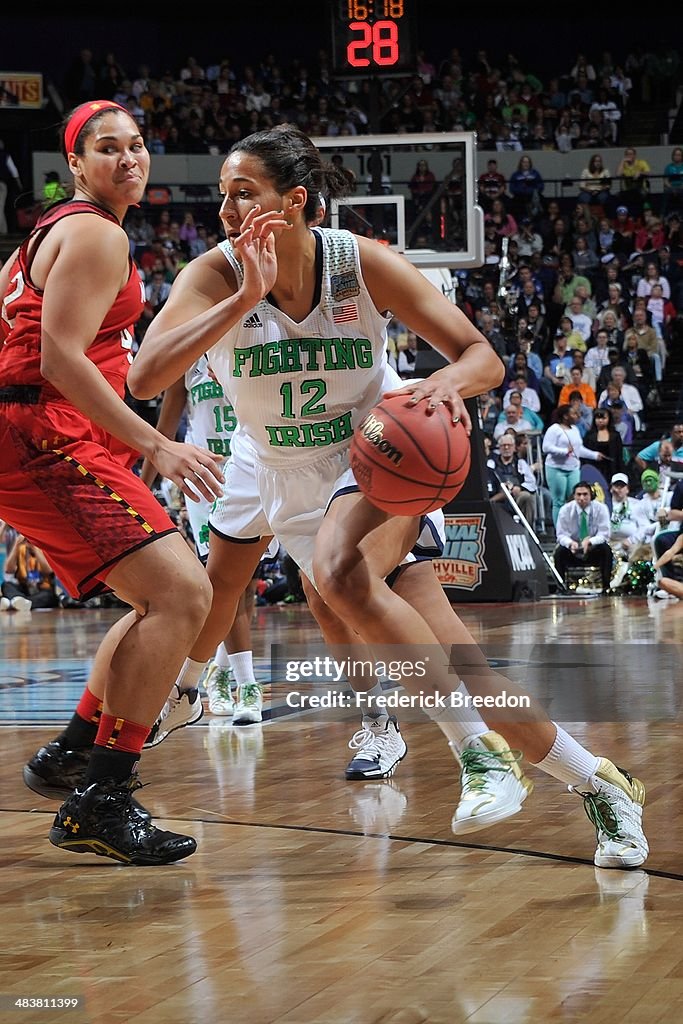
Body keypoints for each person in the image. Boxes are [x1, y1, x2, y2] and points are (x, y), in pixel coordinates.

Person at [125, 124, 648, 862]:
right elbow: (143, 379)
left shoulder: (361, 262)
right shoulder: (211, 276)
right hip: (283, 472)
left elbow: (481, 357)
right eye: (222, 196)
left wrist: (443, 381)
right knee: (461, 661)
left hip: (374, 455)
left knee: (339, 574)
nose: (226, 210)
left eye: (243, 194)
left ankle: (477, 754)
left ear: (296, 201)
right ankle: (597, 782)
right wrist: (244, 294)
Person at [4, 100, 224, 865]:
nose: (129, 159)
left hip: (40, 432)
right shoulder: (95, 232)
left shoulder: (57, 230)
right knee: (183, 596)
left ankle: (71, 754)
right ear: (76, 163)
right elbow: (60, 359)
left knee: (155, 599)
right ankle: (100, 796)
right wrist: (156, 445)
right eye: (108, 148)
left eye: (137, 145)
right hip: (38, 434)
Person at [543, 403, 603, 527]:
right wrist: (564, 452)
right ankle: (559, 532)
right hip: (556, 468)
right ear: (565, 416)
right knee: (559, 501)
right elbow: (546, 447)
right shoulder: (554, 429)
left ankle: (573, 529)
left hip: (573, 468)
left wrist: (594, 455)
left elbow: (578, 449)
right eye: (574, 414)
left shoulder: (575, 430)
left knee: (574, 499)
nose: (577, 416)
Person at [553, 480, 613, 594]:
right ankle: (560, 587)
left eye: (585, 494)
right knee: (559, 552)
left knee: (606, 549)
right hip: (573, 549)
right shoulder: (565, 510)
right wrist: (570, 543)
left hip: (593, 549)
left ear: (591, 496)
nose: (582, 498)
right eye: (578, 494)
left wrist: (590, 541)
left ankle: (606, 586)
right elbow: (561, 535)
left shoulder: (601, 508)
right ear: (574, 496)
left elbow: (605, 534)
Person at [581, 407, 625, 476]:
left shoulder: (615, 435)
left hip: (611, 469)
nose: (600, 420)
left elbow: (619, 456)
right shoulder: (589, 435)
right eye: (598, 418)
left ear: (609, 419)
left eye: (603, 418)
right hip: (593, 469)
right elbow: (585, 455)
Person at [0, 138, 23, 234]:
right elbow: (14, 171)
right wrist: (19, 184)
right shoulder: (5, 156)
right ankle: (3, 231)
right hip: (1, 183)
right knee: (1, 206)